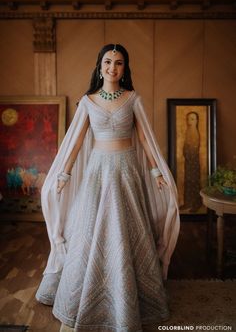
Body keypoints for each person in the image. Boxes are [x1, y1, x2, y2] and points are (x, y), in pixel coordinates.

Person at [36, 44, 180, 332]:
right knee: (91, 229)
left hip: (126, 170)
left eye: (118, 63)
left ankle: (127, 294)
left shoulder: (132, 99)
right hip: (98, 171)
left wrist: (155, 171)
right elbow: (76, 141)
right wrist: (63, 173)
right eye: (108, 62)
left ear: (125, 68)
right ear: (99, 66)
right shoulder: (88, 101)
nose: (112, 67)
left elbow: (144, 139)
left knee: (127, 228)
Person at [180, 111, 202, 213]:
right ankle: (188, 203)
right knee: (188, 182)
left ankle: (196, 204)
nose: (190, 121)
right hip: (188, 162)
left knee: (194, 182)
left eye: (192, 119)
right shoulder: (188, 131)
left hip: (193, 163)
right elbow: (185, 147)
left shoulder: (195, 133)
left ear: (196, 121)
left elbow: (193, 150)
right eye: (188, 119)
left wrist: (188, 156)